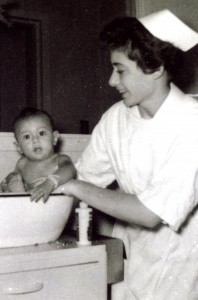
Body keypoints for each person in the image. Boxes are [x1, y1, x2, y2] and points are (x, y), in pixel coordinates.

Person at [59, 10, 198, 300]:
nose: (111, 81)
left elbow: (149, 214)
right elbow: (83, 176)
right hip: (132, 264)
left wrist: (75, 186)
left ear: (156, 68)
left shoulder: (192, 122)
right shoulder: (116, 118)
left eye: (120, 70)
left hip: (186, 269)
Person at [1, 107, 76, 202]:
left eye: (41, 133)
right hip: (31, 209)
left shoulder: (60, 160)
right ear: (19, 147)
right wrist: (8, 183)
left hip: (55, 208)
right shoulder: (22, 164)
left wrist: (49, 183)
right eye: (27, 136)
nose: (35, 140)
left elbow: (70, 170)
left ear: (54, 138)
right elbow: (11, 180)